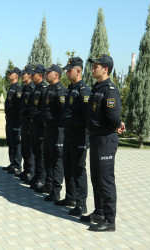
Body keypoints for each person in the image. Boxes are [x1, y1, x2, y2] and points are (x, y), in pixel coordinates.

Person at [82, 54, 125, 232]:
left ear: (105, 69)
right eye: (92, 66)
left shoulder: (109, 90)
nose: (92, 69)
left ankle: (109, 220)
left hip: (106, 138)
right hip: (96, 137)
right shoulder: (97, 88)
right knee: (96, 177)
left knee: (106, 179)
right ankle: (99, 212)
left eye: (96, 66)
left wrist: (117, 125)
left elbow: (114, 116)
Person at [57, 57, 90, 216]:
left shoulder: (84, 90)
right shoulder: (70, 89)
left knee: (78, 169)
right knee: (68, 167)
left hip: (79, 136)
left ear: (78, 71)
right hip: (68, 135)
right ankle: (70, 197)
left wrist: (69, 118)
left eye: (69, 70)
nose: (67, 72)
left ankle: (81, 204)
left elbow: (86, 117)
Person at [41, 64, 65, 202]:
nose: (46, 74)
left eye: (49, 72)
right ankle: (49, 185)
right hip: (47, 128)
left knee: (57, 160)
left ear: (56, 75)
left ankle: (56, 190)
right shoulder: (49, 89)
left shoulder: (60, 90)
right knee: (48, 158)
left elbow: (63, 112)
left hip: (57, 130)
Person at [25, 65, 48, 192]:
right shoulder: (36, 88)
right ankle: (37, 176)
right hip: (33, 124)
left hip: (40, 125)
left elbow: (43, 109)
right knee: (35, 151)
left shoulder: (44, 89)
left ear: (40, 75)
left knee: (41, 153)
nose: (31, 76)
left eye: (33, 74)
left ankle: (42, 178)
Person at [1, 67, 23, 175]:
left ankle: (17, 165)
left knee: (16, 143)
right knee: (10, 142)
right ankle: (12, 163)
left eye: (11, 73)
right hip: (9, 119)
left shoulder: (18, 89)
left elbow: (19, 106)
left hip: (16, 120)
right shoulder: (11, 88)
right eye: (9, 73)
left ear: (16, 76)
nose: (9, 74)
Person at [18, 65, 35, 184]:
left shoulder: (32, 88)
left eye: (24, 74)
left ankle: (31, 171)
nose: (22, 76)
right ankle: (26, 169)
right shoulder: (25, 88)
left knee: (29, 148)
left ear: (29, 75)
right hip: (24, 121)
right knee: (24, 147)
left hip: (29, 121)